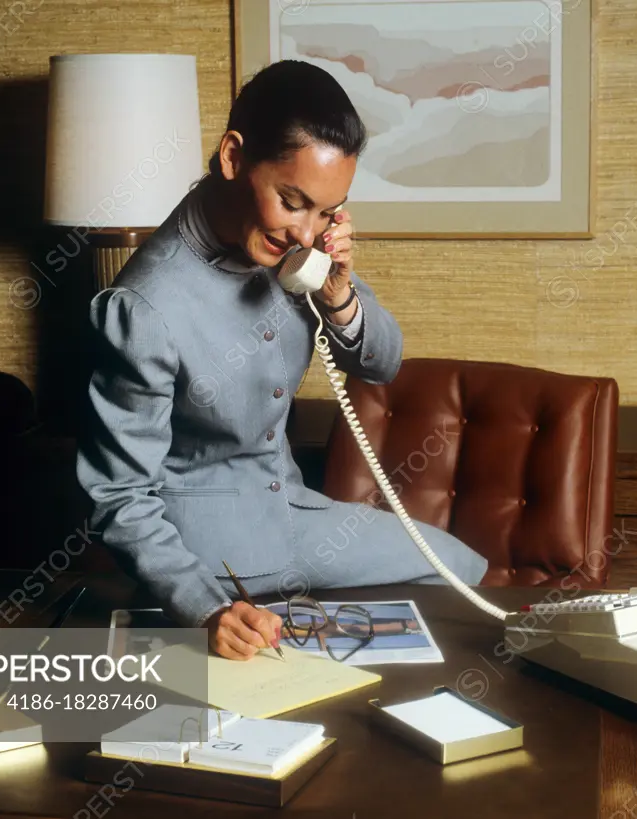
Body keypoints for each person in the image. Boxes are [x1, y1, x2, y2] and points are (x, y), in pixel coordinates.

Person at [75, 60, 488, 662]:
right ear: (233, 157)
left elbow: (384, 364)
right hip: (210, 559)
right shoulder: (145, 307)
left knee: (461, 567)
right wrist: (202, 608)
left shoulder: (301, 251)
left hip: (294, 516)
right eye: (292, 201)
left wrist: (337, 292)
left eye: (327, 212)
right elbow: (120, 493)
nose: (305, 233)